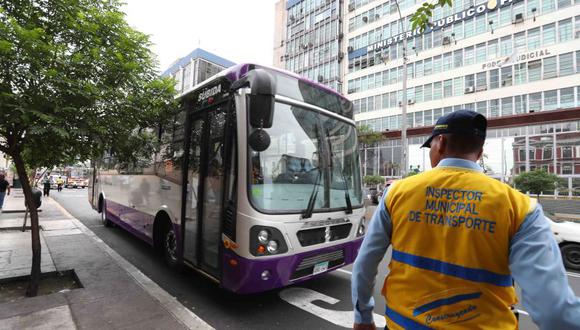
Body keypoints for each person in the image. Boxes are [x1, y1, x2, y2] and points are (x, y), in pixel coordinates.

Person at [352, 110, 580, 329]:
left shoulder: (397, 192)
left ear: (440, 143)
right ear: (479, 153)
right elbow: (555, 312)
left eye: (430, 146)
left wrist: (363, 316)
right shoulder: (519, 207)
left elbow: (365, 263)